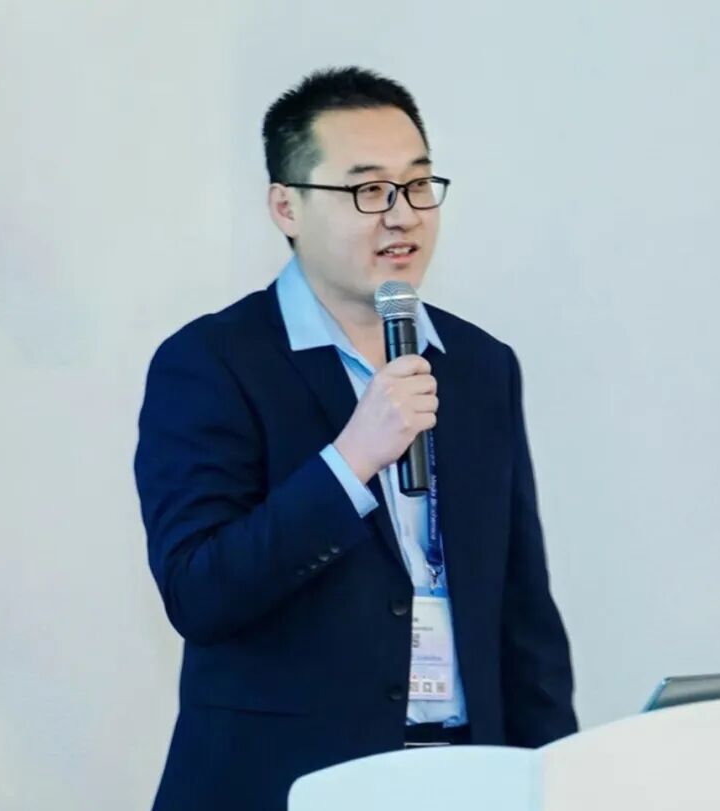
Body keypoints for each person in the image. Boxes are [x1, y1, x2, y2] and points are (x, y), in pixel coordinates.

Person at [134, 66, 578, 811]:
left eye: (418, 185)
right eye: (368, 190)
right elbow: (199, 591)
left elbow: (522, 612)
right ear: (286, 206)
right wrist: (351, 459)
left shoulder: (480, 366)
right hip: (285, 785)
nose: (401, 215)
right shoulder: (212, 362)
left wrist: (554, 779)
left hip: (467, 774)